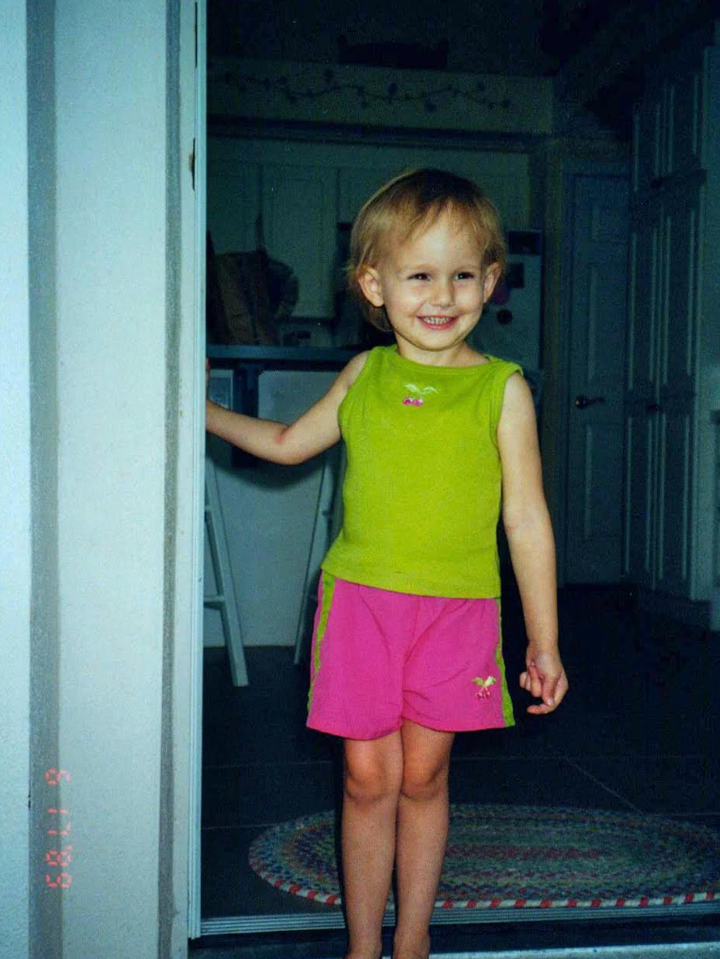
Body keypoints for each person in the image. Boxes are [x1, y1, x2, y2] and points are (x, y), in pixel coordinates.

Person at [206, 169, 568, 959]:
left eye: (462, 274)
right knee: (368, 779)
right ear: (374, 284)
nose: (442, 294)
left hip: (458, 611)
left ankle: (412, 940)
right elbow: (282, 443)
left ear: (491, 280)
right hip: (362, 606)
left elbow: (527, 517)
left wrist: (542, 639)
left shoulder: (503, 391)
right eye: (419, 274)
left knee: (424, 777)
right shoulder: (364, 377)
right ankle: (363, 946)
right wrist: (190, 407)